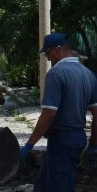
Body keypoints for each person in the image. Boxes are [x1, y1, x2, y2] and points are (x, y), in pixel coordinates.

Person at [19, 33, 97, 192]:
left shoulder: (56, 73)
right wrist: (94, 144)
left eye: (47, 53)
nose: (47, 58)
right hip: (77, 138)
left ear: (57, 50)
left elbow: (49, 114)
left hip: (62, 140)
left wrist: (29, 144)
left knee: (61, 185)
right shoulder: (88, 74)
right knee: (43, 184)